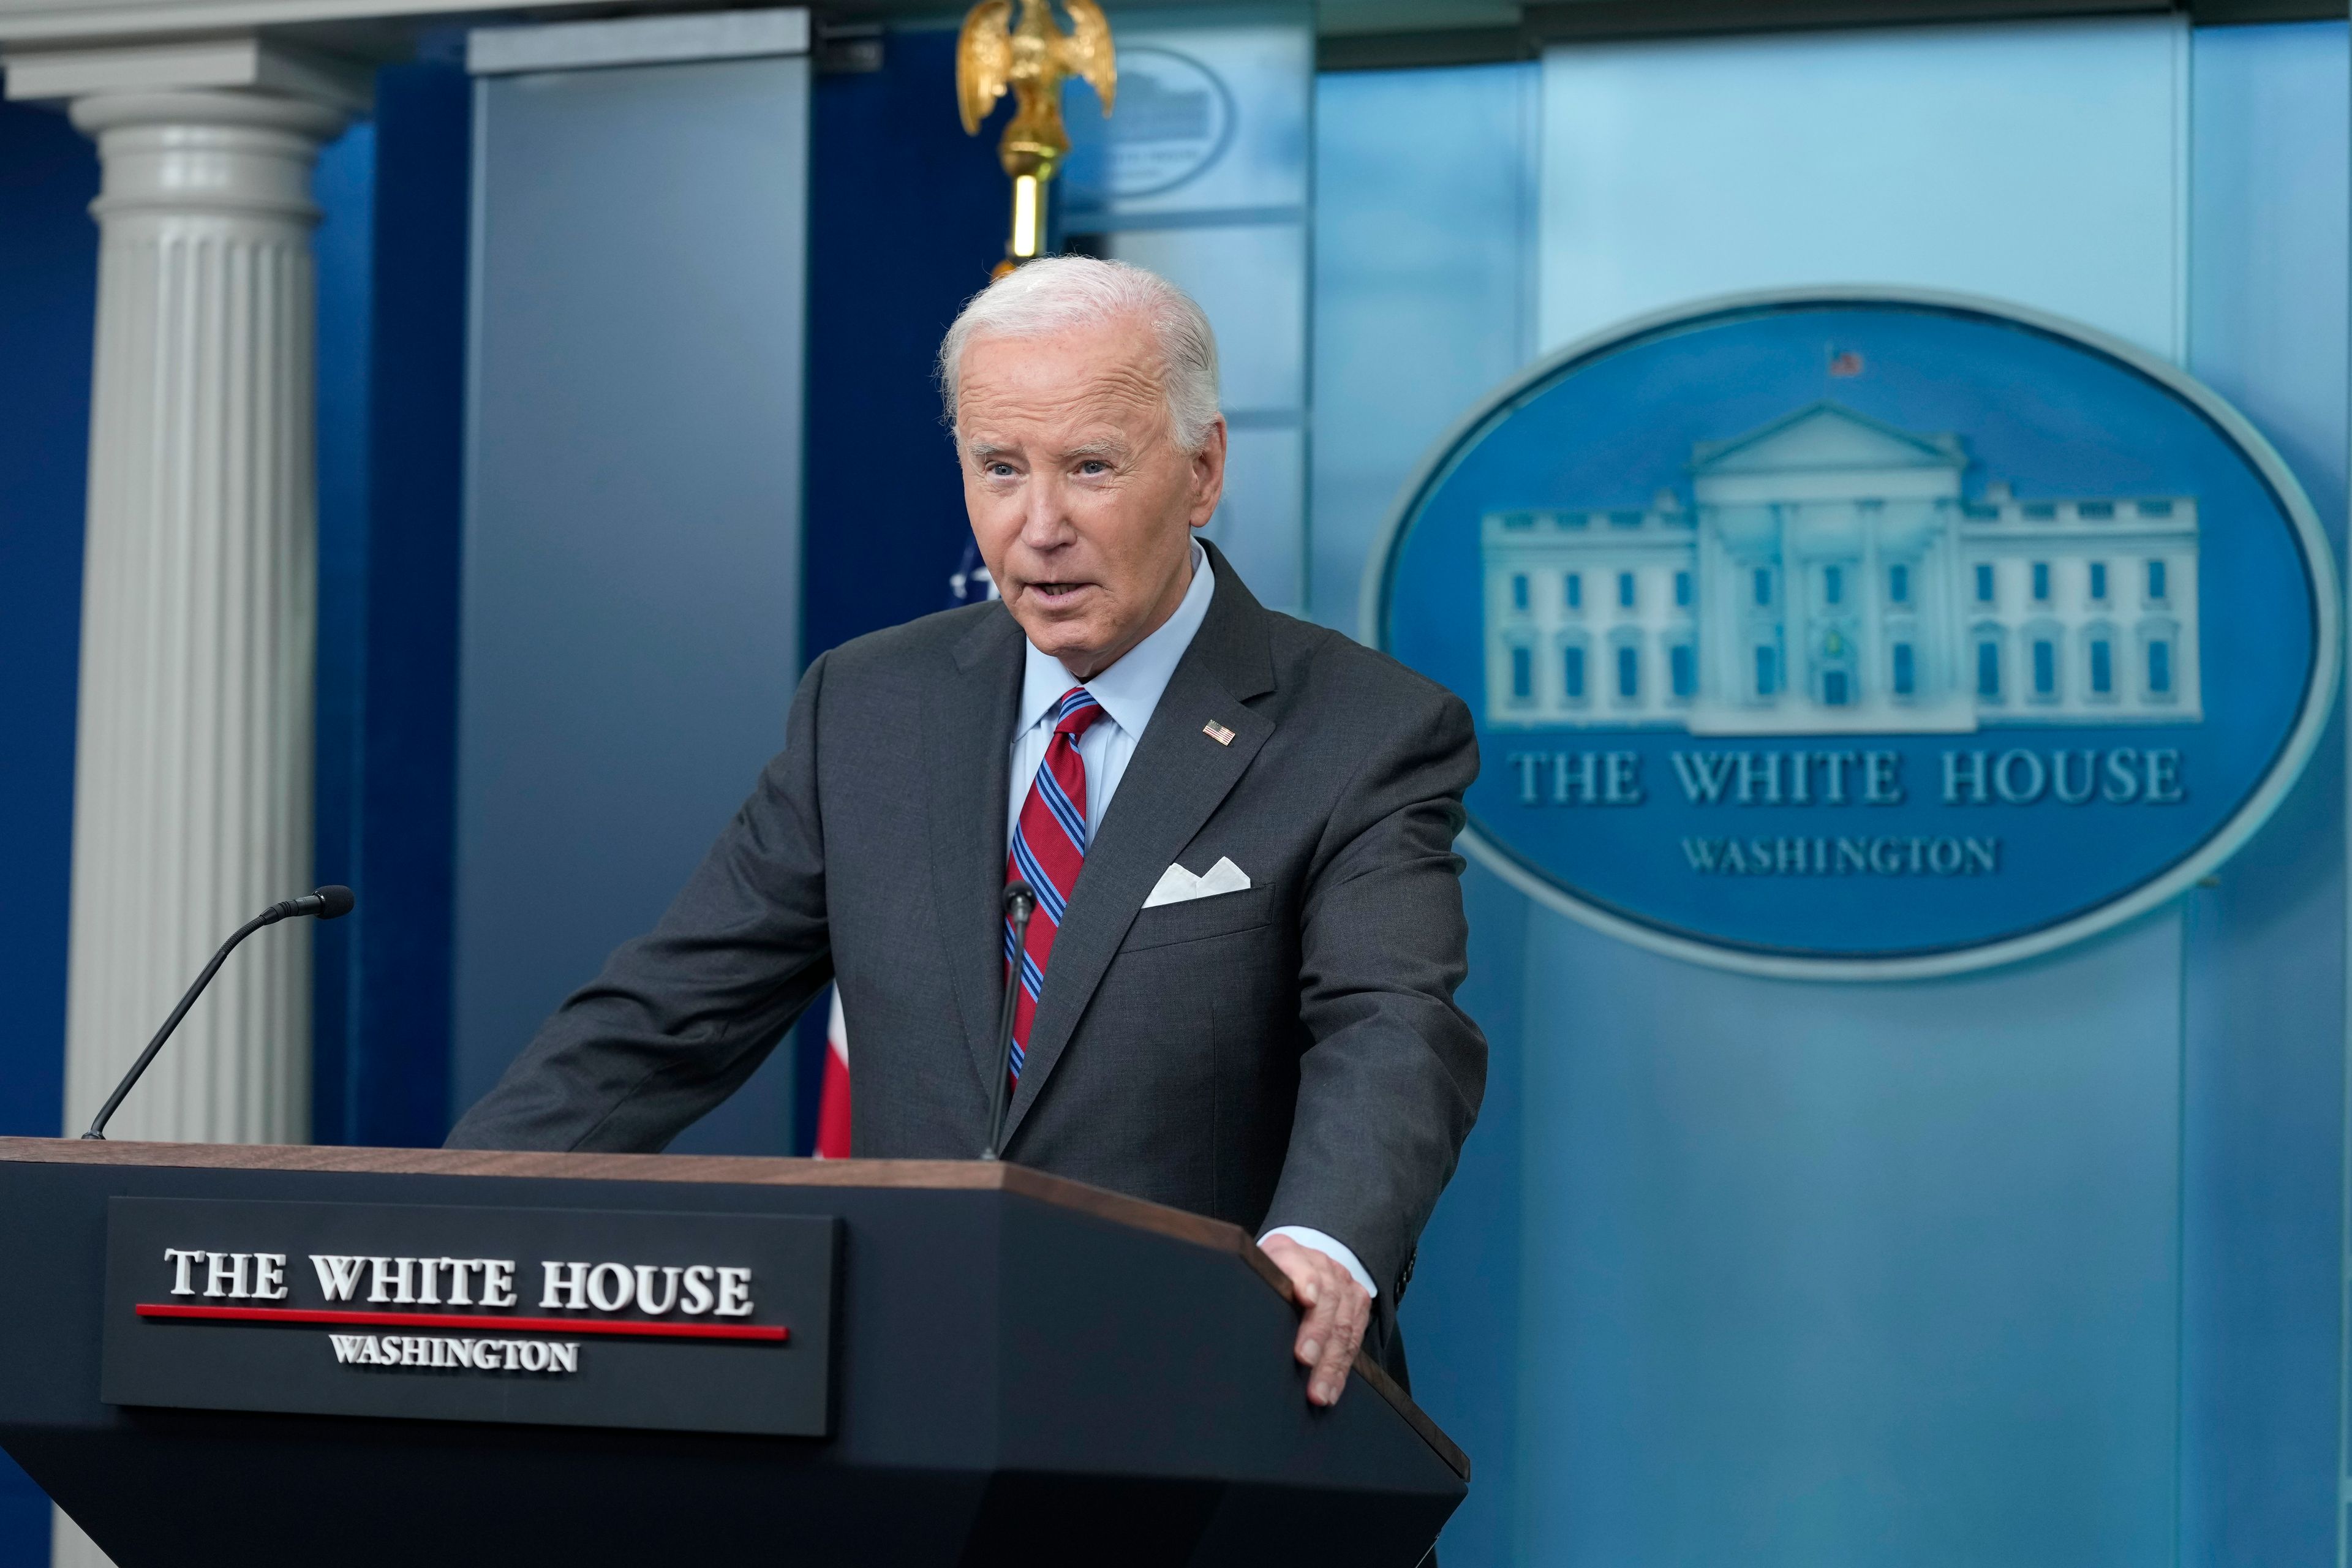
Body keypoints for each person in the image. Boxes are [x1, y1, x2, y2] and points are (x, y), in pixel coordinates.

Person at [447, 256, 1486, 1408]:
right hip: (916, 1396)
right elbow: (670, 1014)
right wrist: (446, 1211)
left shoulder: (1365, 730)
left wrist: (1325, 1250)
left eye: (1090, 466)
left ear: (1202, 471)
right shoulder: (873, 706)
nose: (1038, 527)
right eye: (1001, 469)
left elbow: (1392, 1028)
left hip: (1213, 1392)